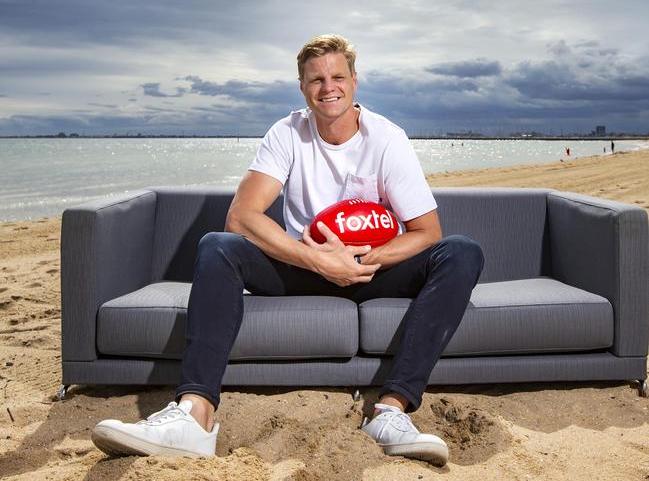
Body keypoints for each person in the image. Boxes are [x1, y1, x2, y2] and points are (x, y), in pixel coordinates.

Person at [90, 34, 484, 466]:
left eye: (337, 76)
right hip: (302, 267)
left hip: (372, 270)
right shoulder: (287, 132)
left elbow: (426, 231)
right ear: (302, 86)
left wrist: (360, 260)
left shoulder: (388, 138)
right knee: (218, 245)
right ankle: (195, 416)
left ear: (355, 81)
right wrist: (318, 258)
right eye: (316, 79)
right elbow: (241, 216)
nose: (327, 87)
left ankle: (391, 411)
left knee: (462, 251)